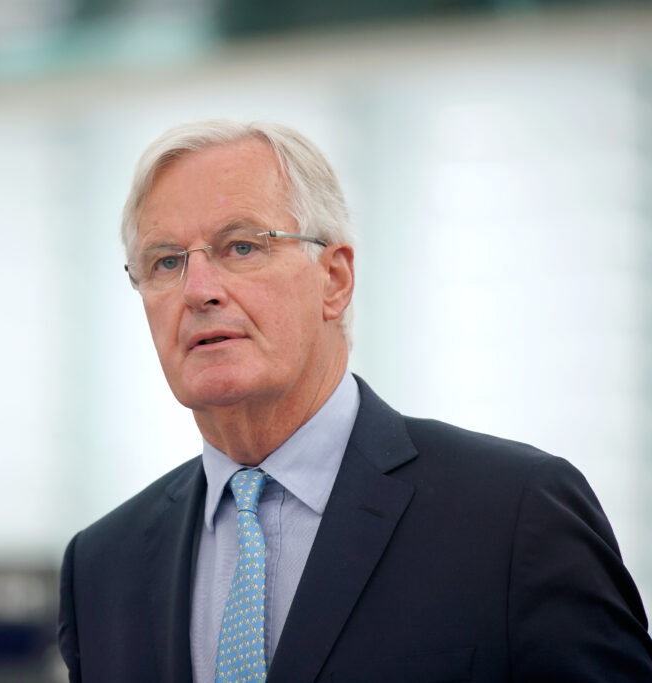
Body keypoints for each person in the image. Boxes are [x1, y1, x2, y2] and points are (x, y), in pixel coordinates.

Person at [57, 120, 652, 682]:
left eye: (240, 247)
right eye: (166, 261)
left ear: (335, 279)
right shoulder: (100, 568)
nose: (198, 290)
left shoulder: (515, 515)